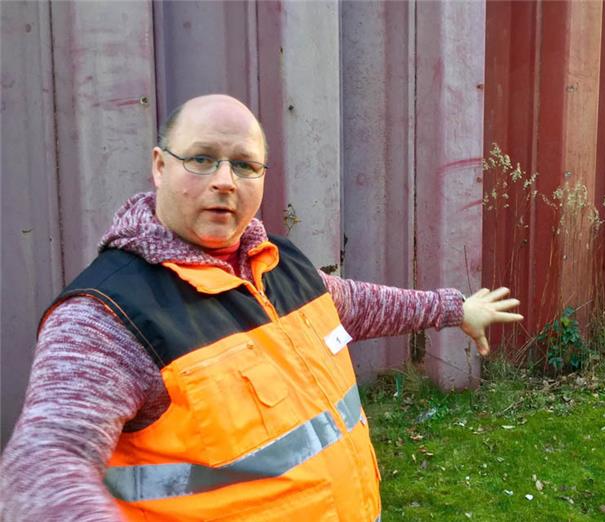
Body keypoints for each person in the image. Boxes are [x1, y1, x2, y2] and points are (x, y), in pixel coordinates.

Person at [1, 94, 523, 521]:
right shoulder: (107, 318)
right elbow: (43, 467)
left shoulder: (277, 263)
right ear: (159, 166)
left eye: (245, 165)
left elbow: (358, 304)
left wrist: (455, 309)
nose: (225, 180)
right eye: (201, 159)